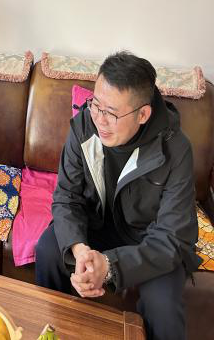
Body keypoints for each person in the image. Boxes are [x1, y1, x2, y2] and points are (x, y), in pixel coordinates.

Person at [35, 51, 200, 340]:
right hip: (97, 225)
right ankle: (52, 332)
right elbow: (66, 197)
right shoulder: (85, 125)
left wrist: (110, 266)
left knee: (162, 305)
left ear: (143, 114)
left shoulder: (176, 149)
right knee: (49, 250)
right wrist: (79, 250)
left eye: (111, 113)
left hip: (149, 243)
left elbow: (173, 238)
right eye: (96, 105)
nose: (100, 120)